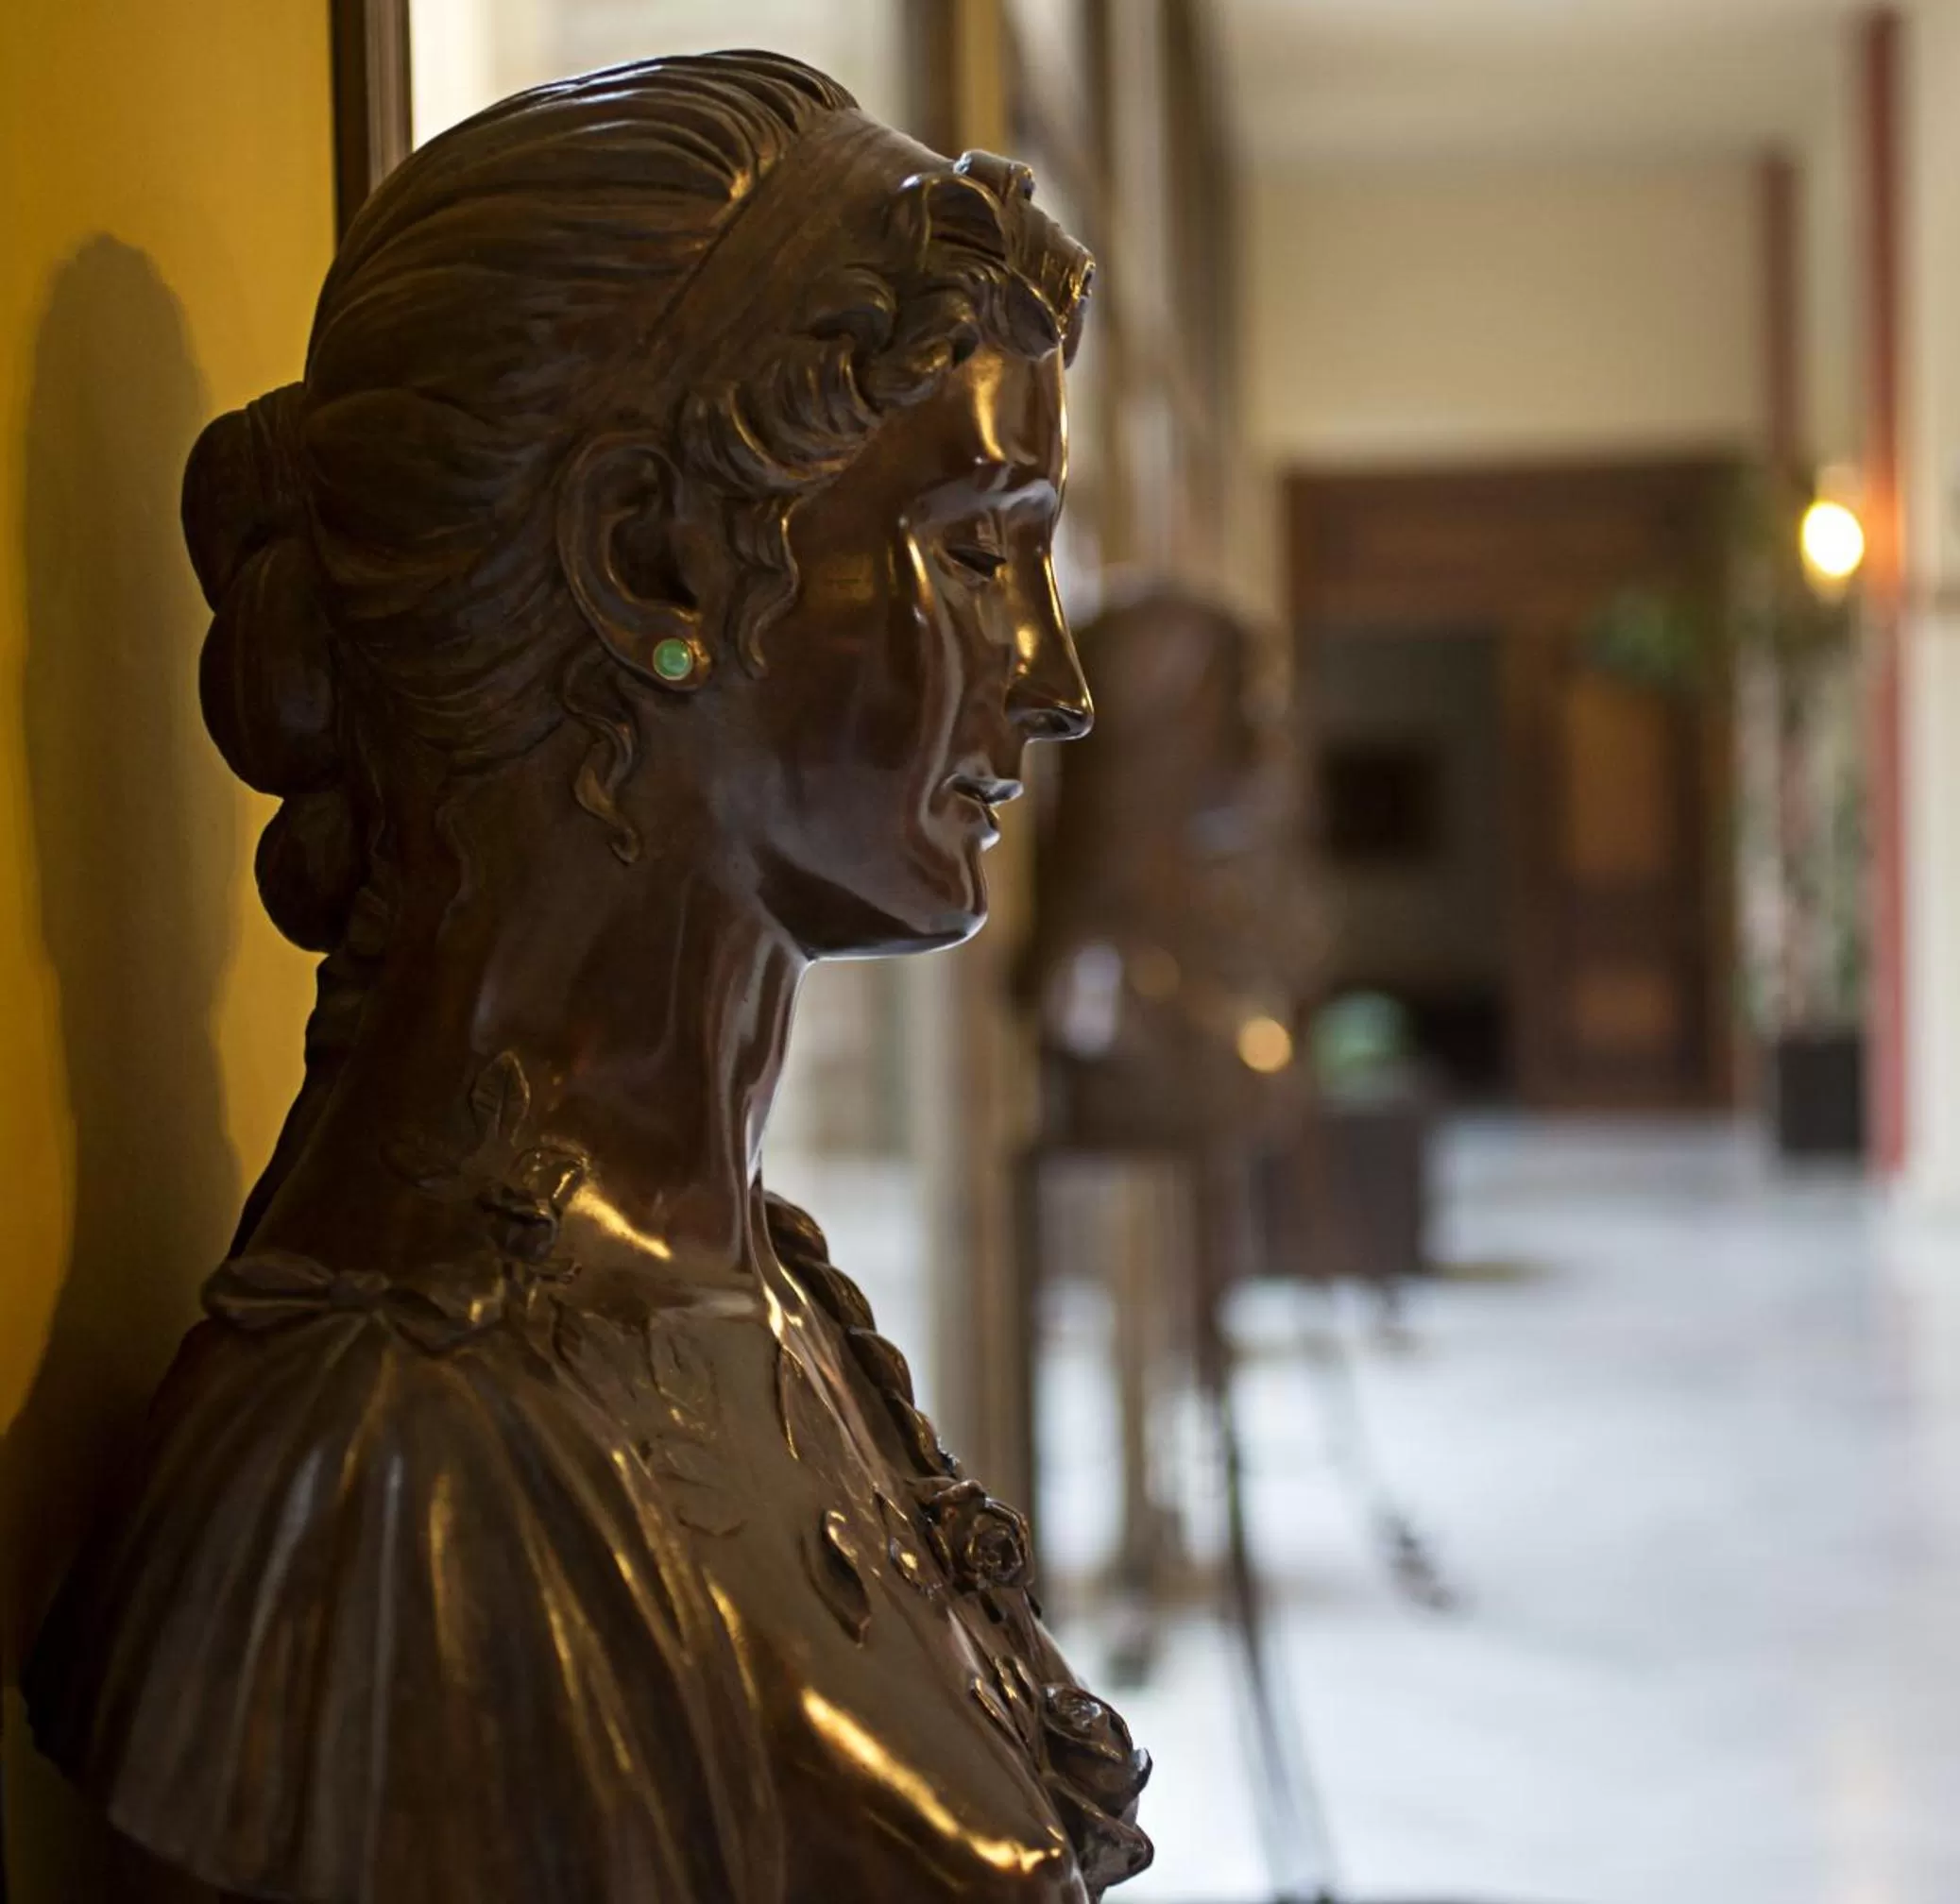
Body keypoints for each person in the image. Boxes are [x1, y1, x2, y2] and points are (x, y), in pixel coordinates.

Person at [26, 51, 1149, 1904]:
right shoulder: (403, 1491)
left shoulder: (754, 1285)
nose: (1053, 682)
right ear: (648, 562)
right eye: (977, 552)